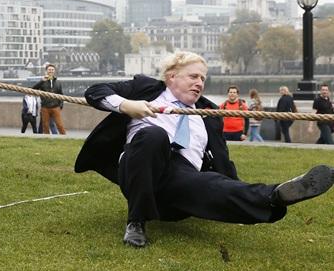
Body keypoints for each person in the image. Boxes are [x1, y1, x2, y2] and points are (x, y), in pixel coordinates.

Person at [74, 51, 333, 248]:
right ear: (171, 76)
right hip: (141, 163)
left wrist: (233, 188)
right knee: (153, 135)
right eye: (194, 76)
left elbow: (222, 160)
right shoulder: (146, 89)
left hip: (181, 179)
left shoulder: (209, 114)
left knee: (212, 183)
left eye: (203, 79)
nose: (200, 83)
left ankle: (276, 196)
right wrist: (126, 105)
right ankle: (136, 222)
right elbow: (95, 91)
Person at [32, 64, 66, 135]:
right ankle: (47, 139)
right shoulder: (42, 82)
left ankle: (65, 138)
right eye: (49, 70)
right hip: (45, 107)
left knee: (60, 125)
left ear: (54, 71)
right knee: (45, 126)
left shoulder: (58, 83)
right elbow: (33, 89)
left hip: (56, 107)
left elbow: (61, 95)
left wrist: (61, 105)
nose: (51, 71)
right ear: (46, 71)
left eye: (52, 70)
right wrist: (42, 81)